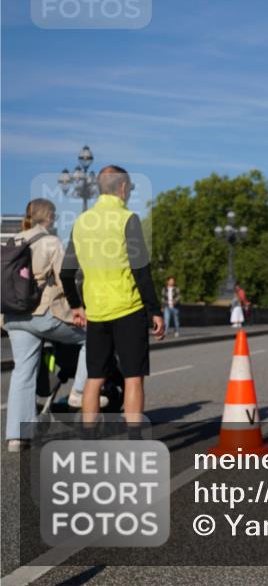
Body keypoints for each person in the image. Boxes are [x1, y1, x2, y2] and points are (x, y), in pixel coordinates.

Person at [61, 166, 164, 431]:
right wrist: (155, 310)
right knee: (133, 377)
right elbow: (141, 270)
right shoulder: (128, 219)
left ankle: (88, 440)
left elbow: (66, 273)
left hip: (95, 311)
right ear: (122, 187)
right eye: (128, 187)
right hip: (128, 308)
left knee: (94, 378)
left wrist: (76, 305)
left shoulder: (82, 221)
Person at [2, 199, 91, 451]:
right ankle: (79, 391)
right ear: (49, 217)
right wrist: (77, 308)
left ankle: (17, 437)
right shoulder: (51, 241)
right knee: (92, 337)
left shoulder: (13, 241)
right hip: (43, 314)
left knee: (22, 372)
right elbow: (65, 278)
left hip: (14, 317)